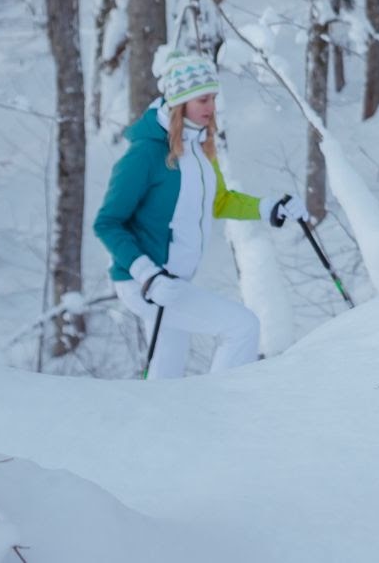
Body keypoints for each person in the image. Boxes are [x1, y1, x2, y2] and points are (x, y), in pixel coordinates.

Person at [94, 47, 303, 378]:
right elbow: (107, 223)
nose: (210, 106)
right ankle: (221, 415)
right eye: (202, 99)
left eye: (212, 98)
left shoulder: (199, 147)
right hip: (145, 282)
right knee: (242, 327)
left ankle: (161, 427)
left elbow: (219, 201)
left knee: (166, 375)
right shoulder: (145, 155)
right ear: (180, 103)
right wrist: (148, 274)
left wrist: (268, 207)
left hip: (174, 280)